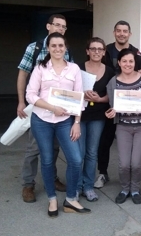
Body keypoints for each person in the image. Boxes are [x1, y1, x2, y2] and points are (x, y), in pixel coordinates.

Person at [26, 32, 90, 217]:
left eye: (61, 45)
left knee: (76, 159)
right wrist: (52, 107)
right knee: (47, 160)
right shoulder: (40, 68)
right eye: (53, 46)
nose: (57, 49)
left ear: (66, 48)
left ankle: (70, 199)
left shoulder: (74, 69)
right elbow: (31, 95)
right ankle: (52, 199)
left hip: (65, 121)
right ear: (48, 48)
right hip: (42, 120)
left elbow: (79, 97)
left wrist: (77, 122)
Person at [17, 14, 70, 203]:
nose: (60, 29)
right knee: (34, 148)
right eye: (57, 25)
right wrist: (21, 101)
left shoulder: (66, 50)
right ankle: (28, 184)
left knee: (54, 147)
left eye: (63, 27)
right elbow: (23, 74)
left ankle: (52, 178)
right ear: (48, 26)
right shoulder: (34, 47)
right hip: (38, 106)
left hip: (58, 110)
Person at [94, 20, 141, 189]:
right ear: (114, 32)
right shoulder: (106, 50)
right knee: (105, 140)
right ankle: (103, 172)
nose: (122, 33)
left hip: (131, 107)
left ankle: (132, 178)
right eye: (119, 31)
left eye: (125, 31)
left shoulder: (137, 54)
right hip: (109, 102)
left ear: (130, 33)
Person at [105, 48, 141, 204]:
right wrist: (111, 112)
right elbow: (112, 105)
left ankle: (135, 190)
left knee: (136, 163)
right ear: (119, 63)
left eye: (131, 61)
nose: (128, 64)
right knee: (124, 163)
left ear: (135, 63)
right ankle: (124, 189)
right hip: (123, 127)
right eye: (124, 61)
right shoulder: (113, 82)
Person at [77, 37, 114, 202]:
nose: (97, 52)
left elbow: (112, 96)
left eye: (100, 49)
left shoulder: (110, 71)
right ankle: (76, 186)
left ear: (104, 52)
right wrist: (81, 94)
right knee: (78, 153)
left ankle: (88, 186)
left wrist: (99, 99)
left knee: (92, 152)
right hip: (79, 115)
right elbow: (69, 91)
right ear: (87, 51)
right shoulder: (77, 69)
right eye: (93, 49)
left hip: (98, 116)